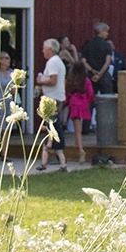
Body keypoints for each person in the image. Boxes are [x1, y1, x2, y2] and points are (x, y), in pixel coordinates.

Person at [37, 37, 70, 171]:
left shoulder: (52, 62)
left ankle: (55, 156)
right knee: (52, 127)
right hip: (56, 98)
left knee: (52, 128)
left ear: (50, 49)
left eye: (44, 48)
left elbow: (53, 81)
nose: (42, 51)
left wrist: (40, 80)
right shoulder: (58, 61)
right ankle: (50, 161)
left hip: (52, 100)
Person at [61, 36, 92, 164]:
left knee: (77, 131)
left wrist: (66, 102)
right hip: (83, 104)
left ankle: (81, 151)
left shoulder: (71, 80)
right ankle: (79, 147)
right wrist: (88, 101)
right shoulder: (86, 80)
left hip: (74, 104)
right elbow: (90, 93)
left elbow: (68, 93)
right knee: (81, 129)